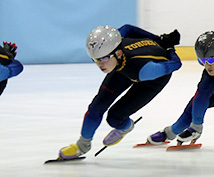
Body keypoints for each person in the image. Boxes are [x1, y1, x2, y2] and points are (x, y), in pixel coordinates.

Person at [58, 24, 182, 159]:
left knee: (114, 117)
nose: (100, 64)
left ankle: (126, 127)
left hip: (152, 77)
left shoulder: (145, 70)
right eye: (96, 59)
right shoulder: (115, 44)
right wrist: (157, 39)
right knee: (96, 107)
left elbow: (176, 64)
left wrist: (169, 48)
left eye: (104, 58)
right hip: (122, 66)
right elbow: (128, 28)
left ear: (118, 53)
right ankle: (82, 145)